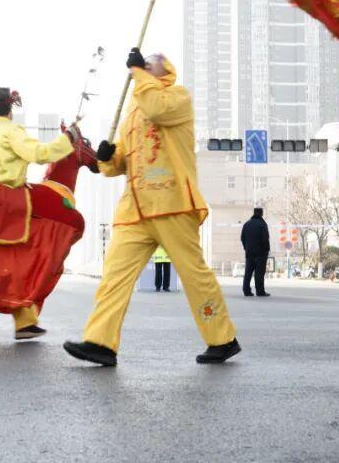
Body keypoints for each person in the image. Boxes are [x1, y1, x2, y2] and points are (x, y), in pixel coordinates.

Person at [64, 50, 240, 366]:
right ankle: (101, 342)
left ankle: (222, 338)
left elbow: (157, 109)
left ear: (166, 70)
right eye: (144, 63)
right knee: (114, 277)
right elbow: (121, 163)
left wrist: (137, 73)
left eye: (152, 61)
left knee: (193, 275)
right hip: (135, 210)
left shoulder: (177, 97)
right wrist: (106, 156)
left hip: (172, 203)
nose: (146, 63)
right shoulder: (133, 111)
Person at [0, 86, 77, 343]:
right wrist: (68, 140)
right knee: (4, 265)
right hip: (10, 204)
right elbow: (39, 155)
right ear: (10, 108)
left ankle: (25, 320)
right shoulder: (11, 131)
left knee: (16, 261)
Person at [240, 207, 270, 297]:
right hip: (260, 253)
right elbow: (265, 239)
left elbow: (242, 238)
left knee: (248, 272)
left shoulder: (247, 224)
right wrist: (266, 250)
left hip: (249, 253)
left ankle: (246, 290)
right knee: (259, 273)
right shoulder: (262, 224)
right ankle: (260, 291)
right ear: (261, 213)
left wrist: (246, 248)